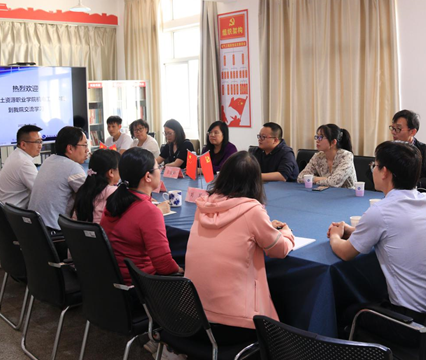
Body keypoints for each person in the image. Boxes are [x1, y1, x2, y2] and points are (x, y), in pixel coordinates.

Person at [327, 141, 426, 347]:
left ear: (385, 172)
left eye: (375, 165)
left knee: (346, 311)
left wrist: (334, 236)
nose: (373, 170)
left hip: (412, 322)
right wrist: (351, 231)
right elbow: (395, 231)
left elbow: (345, 253)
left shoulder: (381, 211)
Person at [185, 151, 294, 341]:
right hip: (236, 324)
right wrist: (286, 233)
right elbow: (279, 249)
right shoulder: (252, 211)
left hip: (193, 317)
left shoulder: (203, 206)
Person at [101, 147, 181, 284]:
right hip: (139, 284)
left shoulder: (115, 200)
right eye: (158, 167)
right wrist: (183, 272)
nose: (160, 170)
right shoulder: (148, 211)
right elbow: (164, 265)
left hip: (112, 280)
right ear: (148, 176)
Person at [28, 126, 88, 231]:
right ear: (70, 148)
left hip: (36, 228)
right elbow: (91, 196)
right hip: (54, 231)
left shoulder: (49, 160)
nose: (87, 150)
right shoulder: (72, 168)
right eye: (84, 145)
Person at [0, 125, 43, 208]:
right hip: (13, 213)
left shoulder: (16, 155)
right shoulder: (24, 163)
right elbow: (41, 191)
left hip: (5, 209)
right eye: (37, 142)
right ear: (23, 145)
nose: (40, 146)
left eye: (41, 141)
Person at [297, 124, 356, 188]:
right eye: (317, 137)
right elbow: (300, 177)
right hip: (326, 192)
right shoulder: (318, 156)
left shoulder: (346, 156)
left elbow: (334, 182)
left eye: (321, 137)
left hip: (347, 193)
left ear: (333, 142)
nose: (317, 140)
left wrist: (312, 179)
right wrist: (326, 179)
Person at [72, 149, 120, 224]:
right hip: (103, 230)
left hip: (81, 231)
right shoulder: (112, 191)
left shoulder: (84, 188)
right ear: (111, 172)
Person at [389, 110, 426, 190]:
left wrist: (408, 184)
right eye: (392, 128)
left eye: (398, 129)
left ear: (412, 132)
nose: (393, 132)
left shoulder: (425, 151)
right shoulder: (389, 150)